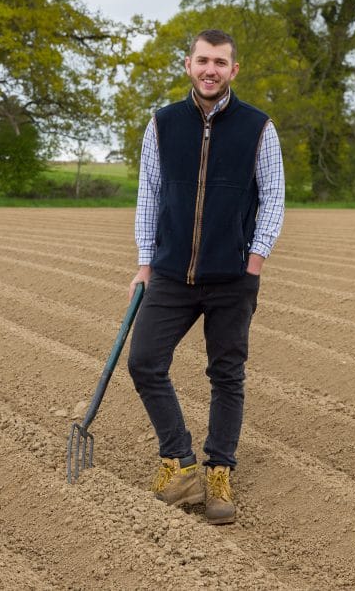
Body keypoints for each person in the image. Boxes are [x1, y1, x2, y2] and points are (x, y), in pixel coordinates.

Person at [127, 28, 285, 525]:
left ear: (233, 70)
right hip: (171, 272)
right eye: (202, 61)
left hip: (232, 277)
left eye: (220, 62)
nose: (210, 70)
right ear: (188, 65)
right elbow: (149, 195)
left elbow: (274, 197)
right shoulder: (163, 124)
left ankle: (219, 471)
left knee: (226, 375)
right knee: (144, 362)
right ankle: (179, 462)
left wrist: (253, 259)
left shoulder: (259, 127)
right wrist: (144, 262)